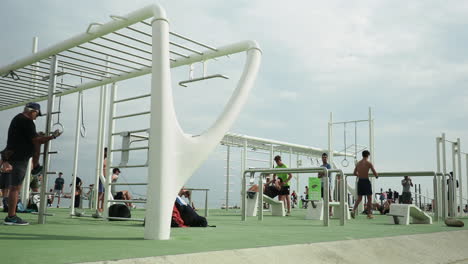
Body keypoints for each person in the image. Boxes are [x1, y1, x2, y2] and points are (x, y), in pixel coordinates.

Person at [2, 102, 61, 225]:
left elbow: (31, 139)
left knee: (14, 187)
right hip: (18, 158)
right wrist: (53, 137)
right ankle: (11, 217)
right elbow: (36, 140)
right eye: (37, 114)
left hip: (13, 156)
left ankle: (36, 166)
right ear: (32, 111)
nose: (36, 117)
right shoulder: (27, 121)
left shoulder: (18, 118)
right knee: (15, 188)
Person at [351, 150, 378, 219]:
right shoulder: (369, 163)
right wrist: (377, 176)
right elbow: (375, 173)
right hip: (366, 181)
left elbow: (354, 173)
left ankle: (353, 210)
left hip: (360, 181)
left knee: (359, 198)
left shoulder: (358, 163)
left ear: (362, 155)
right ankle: (369, 214)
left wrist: (359, 175)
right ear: (368, 155)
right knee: (369, 198)